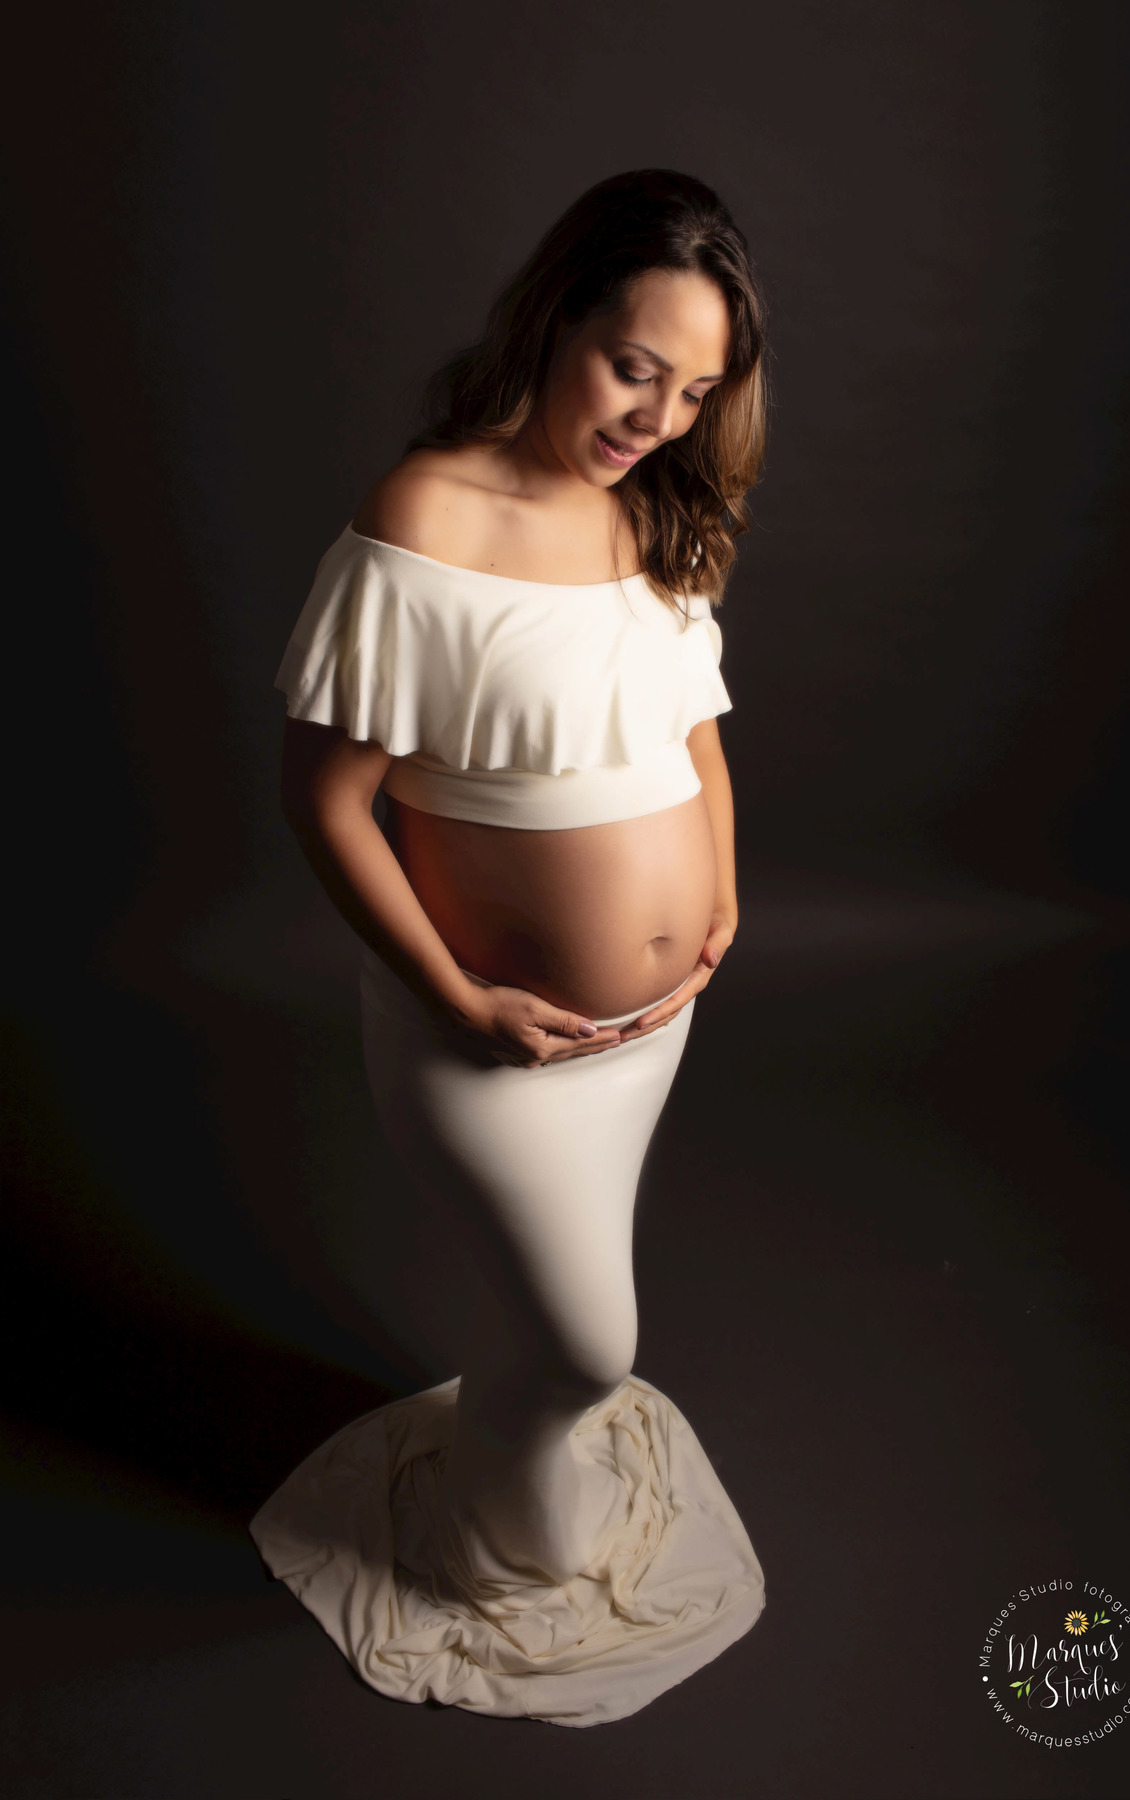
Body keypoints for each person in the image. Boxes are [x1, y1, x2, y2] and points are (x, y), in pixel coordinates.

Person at [250, 168, 768, 1728]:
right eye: (632, 366)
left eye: (693, 390)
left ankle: (505, 1452)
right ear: (556, 315)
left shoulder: (655, 505)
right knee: (584, 1342)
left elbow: (691, 719)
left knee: (558, 1322)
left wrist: (721, 884)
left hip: (649, 1033)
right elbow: (326, 802)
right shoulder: (427, 514)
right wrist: (456, 991)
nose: (655, 415)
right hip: (489, 1038)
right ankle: (486, 1541)